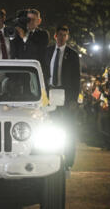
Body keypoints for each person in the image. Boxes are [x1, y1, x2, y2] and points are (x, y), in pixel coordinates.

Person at [45, 26, 80, 169]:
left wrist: (74, 99)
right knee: (49, 126)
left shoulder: (72, 55)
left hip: (66, 95)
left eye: (64, 35)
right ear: (55, 36)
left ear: (67, 37)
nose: (62, 37)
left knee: (68, 128)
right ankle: (50, 158)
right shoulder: (47, 52)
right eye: (59, 35)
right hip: (49, 94)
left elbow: (76, 79)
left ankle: (69, 161)